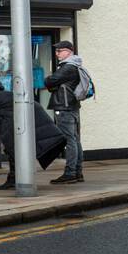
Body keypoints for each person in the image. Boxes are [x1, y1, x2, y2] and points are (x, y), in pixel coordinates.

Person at [0, 79, 66, 190]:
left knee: (13, 152)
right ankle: (17, 178)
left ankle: (15, 179)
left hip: (12, 125)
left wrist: (1, 129)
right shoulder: (4, 94)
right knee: (16, 152)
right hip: (23, 121)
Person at [44, 41, 85, 184]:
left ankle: (70, 173)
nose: (57, 54)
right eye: (56, 51)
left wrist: (48, 80)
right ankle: (77, 172)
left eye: (59, 51)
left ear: (68, 51)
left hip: (64, 107)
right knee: (74, 139)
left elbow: (50, 81)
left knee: (70, 140)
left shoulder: (68, 67)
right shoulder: (74, 66)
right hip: (72, 107)